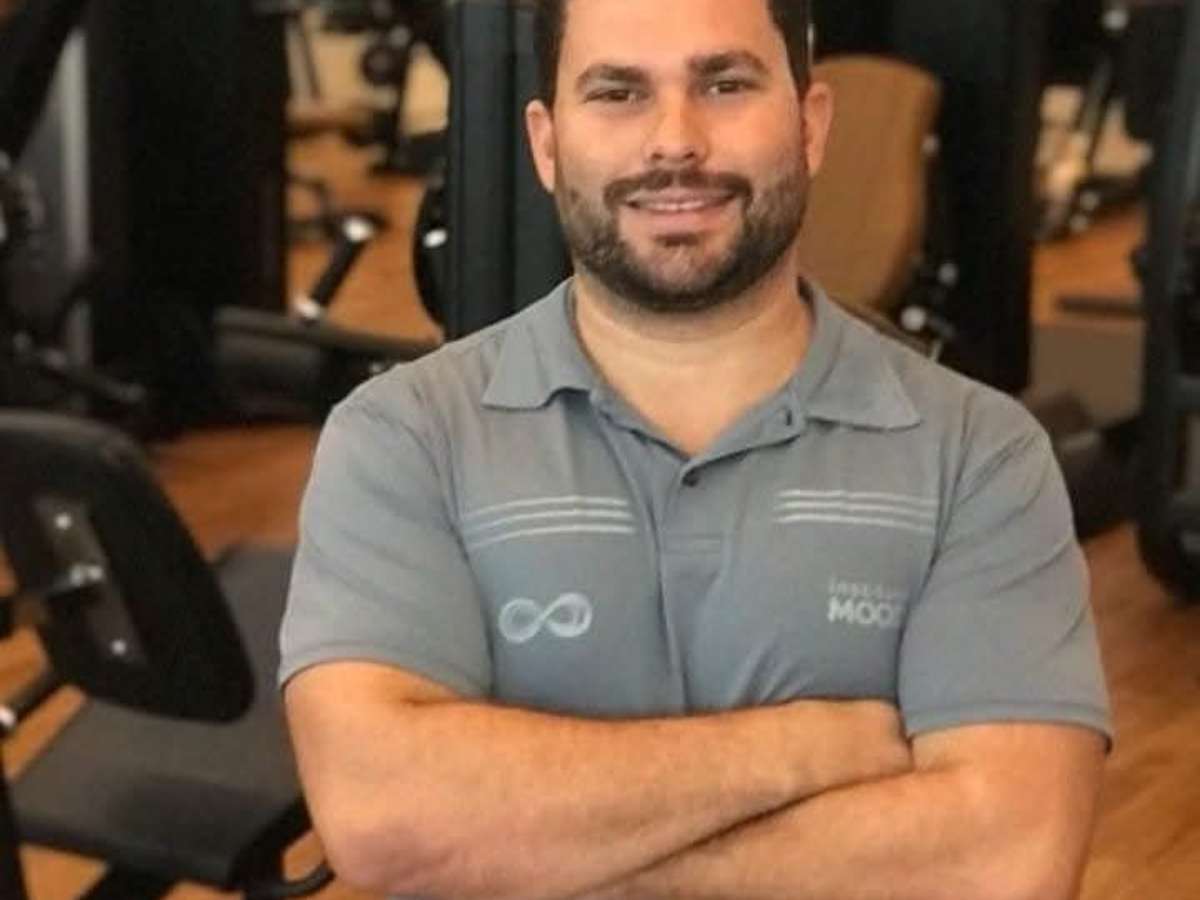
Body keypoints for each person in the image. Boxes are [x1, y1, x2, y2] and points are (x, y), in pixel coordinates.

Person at [280, 0, 1112, 897]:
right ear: (547, 143)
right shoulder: (406, 436)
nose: (675, 141)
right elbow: (386, 819)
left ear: (811, 125)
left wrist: (539, 850)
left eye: (724, 85)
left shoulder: (979, 457)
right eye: (618, 93)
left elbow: (1007, 864)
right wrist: (807, 747)